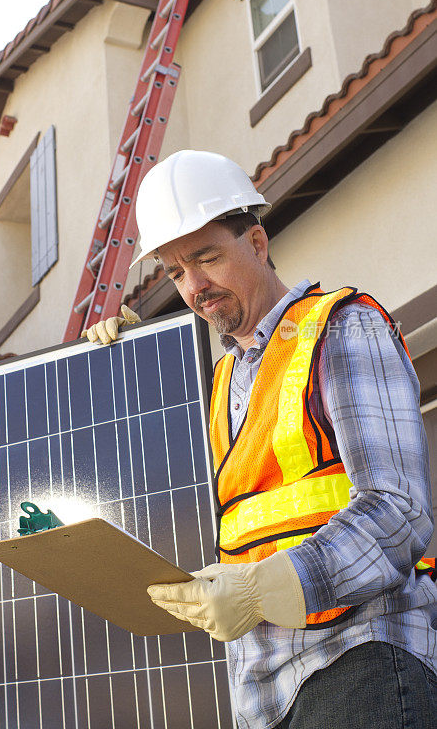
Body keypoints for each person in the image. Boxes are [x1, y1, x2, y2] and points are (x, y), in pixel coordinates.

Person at [85, 150, 437, 729]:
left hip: (360, 660)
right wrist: (132, 368)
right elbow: (191, 513)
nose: (195, 287)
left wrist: (268, 586)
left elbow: (398, 511)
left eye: (207, 257)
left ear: (256, 242)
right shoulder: (219, 381)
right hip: (262, 693)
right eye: (176, 273)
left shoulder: (341, 325)